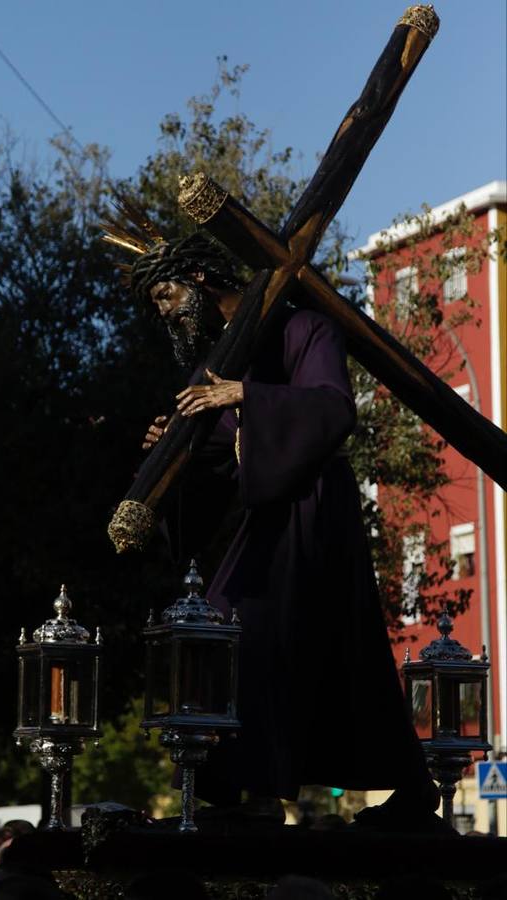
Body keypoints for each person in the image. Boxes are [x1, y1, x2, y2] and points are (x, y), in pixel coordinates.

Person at [126, 231, 441, 828]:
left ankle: (397, 786)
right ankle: (229, 784)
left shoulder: (304, 329)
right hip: (271, 513)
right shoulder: (221, 360)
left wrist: (246, 395)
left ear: (198, 279)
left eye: (165, 295)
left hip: (317, 506)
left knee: (278, 630)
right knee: (222, 620)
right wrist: (174, 450)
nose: (163, 313)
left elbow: (332, 407)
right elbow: (218, 460)